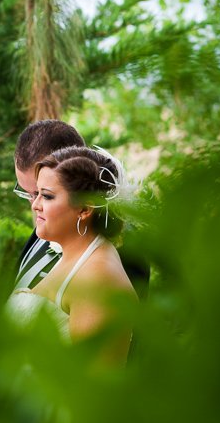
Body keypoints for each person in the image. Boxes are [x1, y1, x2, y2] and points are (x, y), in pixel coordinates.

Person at [8, 146, 137, 362]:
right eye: (36, 194)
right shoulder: (75, 256)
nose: (35, 205)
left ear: (85, 209)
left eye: (47, 196)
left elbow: (92, 386)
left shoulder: (98, 278)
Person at [11, 121, 85, 290]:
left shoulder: (118, 248)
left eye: (42, 194)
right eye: (27, 193)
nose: (34, 205)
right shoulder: (48, 220)